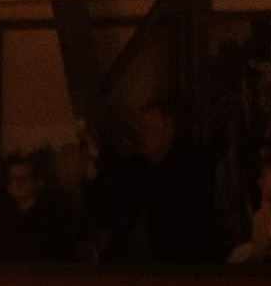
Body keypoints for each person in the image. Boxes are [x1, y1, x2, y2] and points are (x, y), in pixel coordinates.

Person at [87, 102, 224, 263]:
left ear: (169, 132)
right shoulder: (142, 168)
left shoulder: (186, 172)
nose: (141, 134)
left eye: (147, 128)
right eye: (141, 127)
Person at [0, 151, 83, 261]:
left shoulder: (53, 214)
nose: (20, 183)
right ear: (8, 185)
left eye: (25, 177)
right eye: (15, 178)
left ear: (37, 182)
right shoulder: (4, 214)